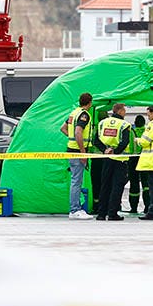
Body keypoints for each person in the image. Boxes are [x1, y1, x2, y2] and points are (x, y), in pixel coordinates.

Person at [92, 103, 131, 221]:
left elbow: (96, 140)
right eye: (124, 110)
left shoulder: (102, 123)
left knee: (105, 185)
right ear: (120, 111)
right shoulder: (125, 124)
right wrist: (115, 151)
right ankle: (113, 213)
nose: (125, 112)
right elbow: (124, 142)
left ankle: (101, 213)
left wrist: (105, 150)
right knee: (117, 186)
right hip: (120, 160)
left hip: (106, 159)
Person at [61, 92, 94, 220]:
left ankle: (75, 209)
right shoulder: (84, 114)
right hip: (77, 151)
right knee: (76, 181)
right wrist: (82, 151)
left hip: (71, 149)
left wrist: (72, 139)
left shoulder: (73, 113)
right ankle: (74, 210)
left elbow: (63, 128)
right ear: (90, 103)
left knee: (76, 180)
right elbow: (78, 131)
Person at [126, 114, 146, 213]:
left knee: (134, 184)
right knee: (146, 185)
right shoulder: (147, 131)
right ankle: (147, 206)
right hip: (145, 159)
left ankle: (133, 207)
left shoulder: (131, 132)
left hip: (132, 159)